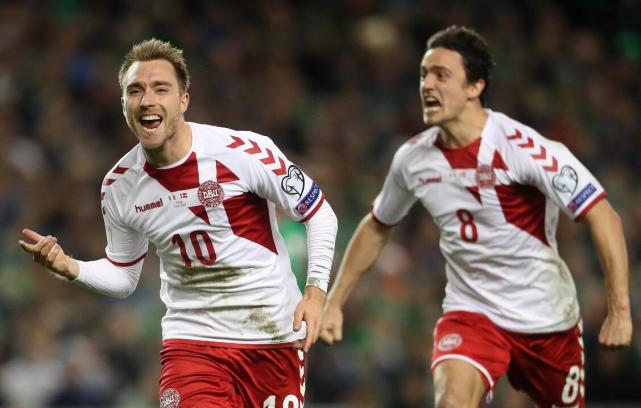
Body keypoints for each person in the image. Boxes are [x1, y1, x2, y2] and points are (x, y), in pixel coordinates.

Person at [320, 25, 632, 408]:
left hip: (546, 318)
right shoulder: (412, 159)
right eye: (424, 74)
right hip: (471, 314)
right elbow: (377, 226)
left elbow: (602, 215)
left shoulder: (524, 149)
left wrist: (619, 309)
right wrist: (335, 301)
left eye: (441, 75)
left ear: (475, 87)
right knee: (451, 401)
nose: (427, 84)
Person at [19, 38, 337, 407]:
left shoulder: (244, 151)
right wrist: (71, 268)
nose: (147, 100)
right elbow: (123, 275)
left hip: (272, 337)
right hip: (192, 345)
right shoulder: (119, 186)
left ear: (183, 100)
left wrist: (315, 293)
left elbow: (319, 212)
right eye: (135, 90)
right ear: (123, 104)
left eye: (160, 88)